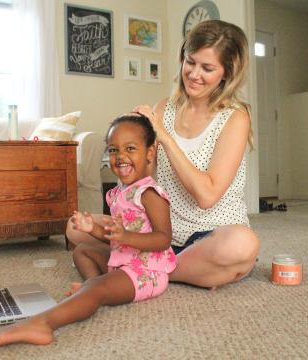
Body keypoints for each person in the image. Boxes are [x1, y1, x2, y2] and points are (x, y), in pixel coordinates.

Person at [67, 20, 260, 289]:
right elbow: (140, 181)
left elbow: (207, 196)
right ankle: (150, 266)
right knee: (75, 227)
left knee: (243, 245)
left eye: (207, 68)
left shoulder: (236, 117)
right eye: (190, 62)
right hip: (158, 230)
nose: (194, 74)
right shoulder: (164, 108)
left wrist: (165, 138)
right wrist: (128, 144)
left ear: (226, 73)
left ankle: (149, 269)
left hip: (212, 233)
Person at [0, 115, 175, 348]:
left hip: (147, 272)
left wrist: (125, 236)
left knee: (96, 288)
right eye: (114, 150)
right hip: (124, 261)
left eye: (131, 148)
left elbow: (164, 239)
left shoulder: (150, 193)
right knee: (82, 250)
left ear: (150, 153)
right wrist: (92, 228)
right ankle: (94, 290)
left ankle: (45, 323)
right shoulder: (119, 192)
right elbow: (113, 237)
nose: (121, 156)